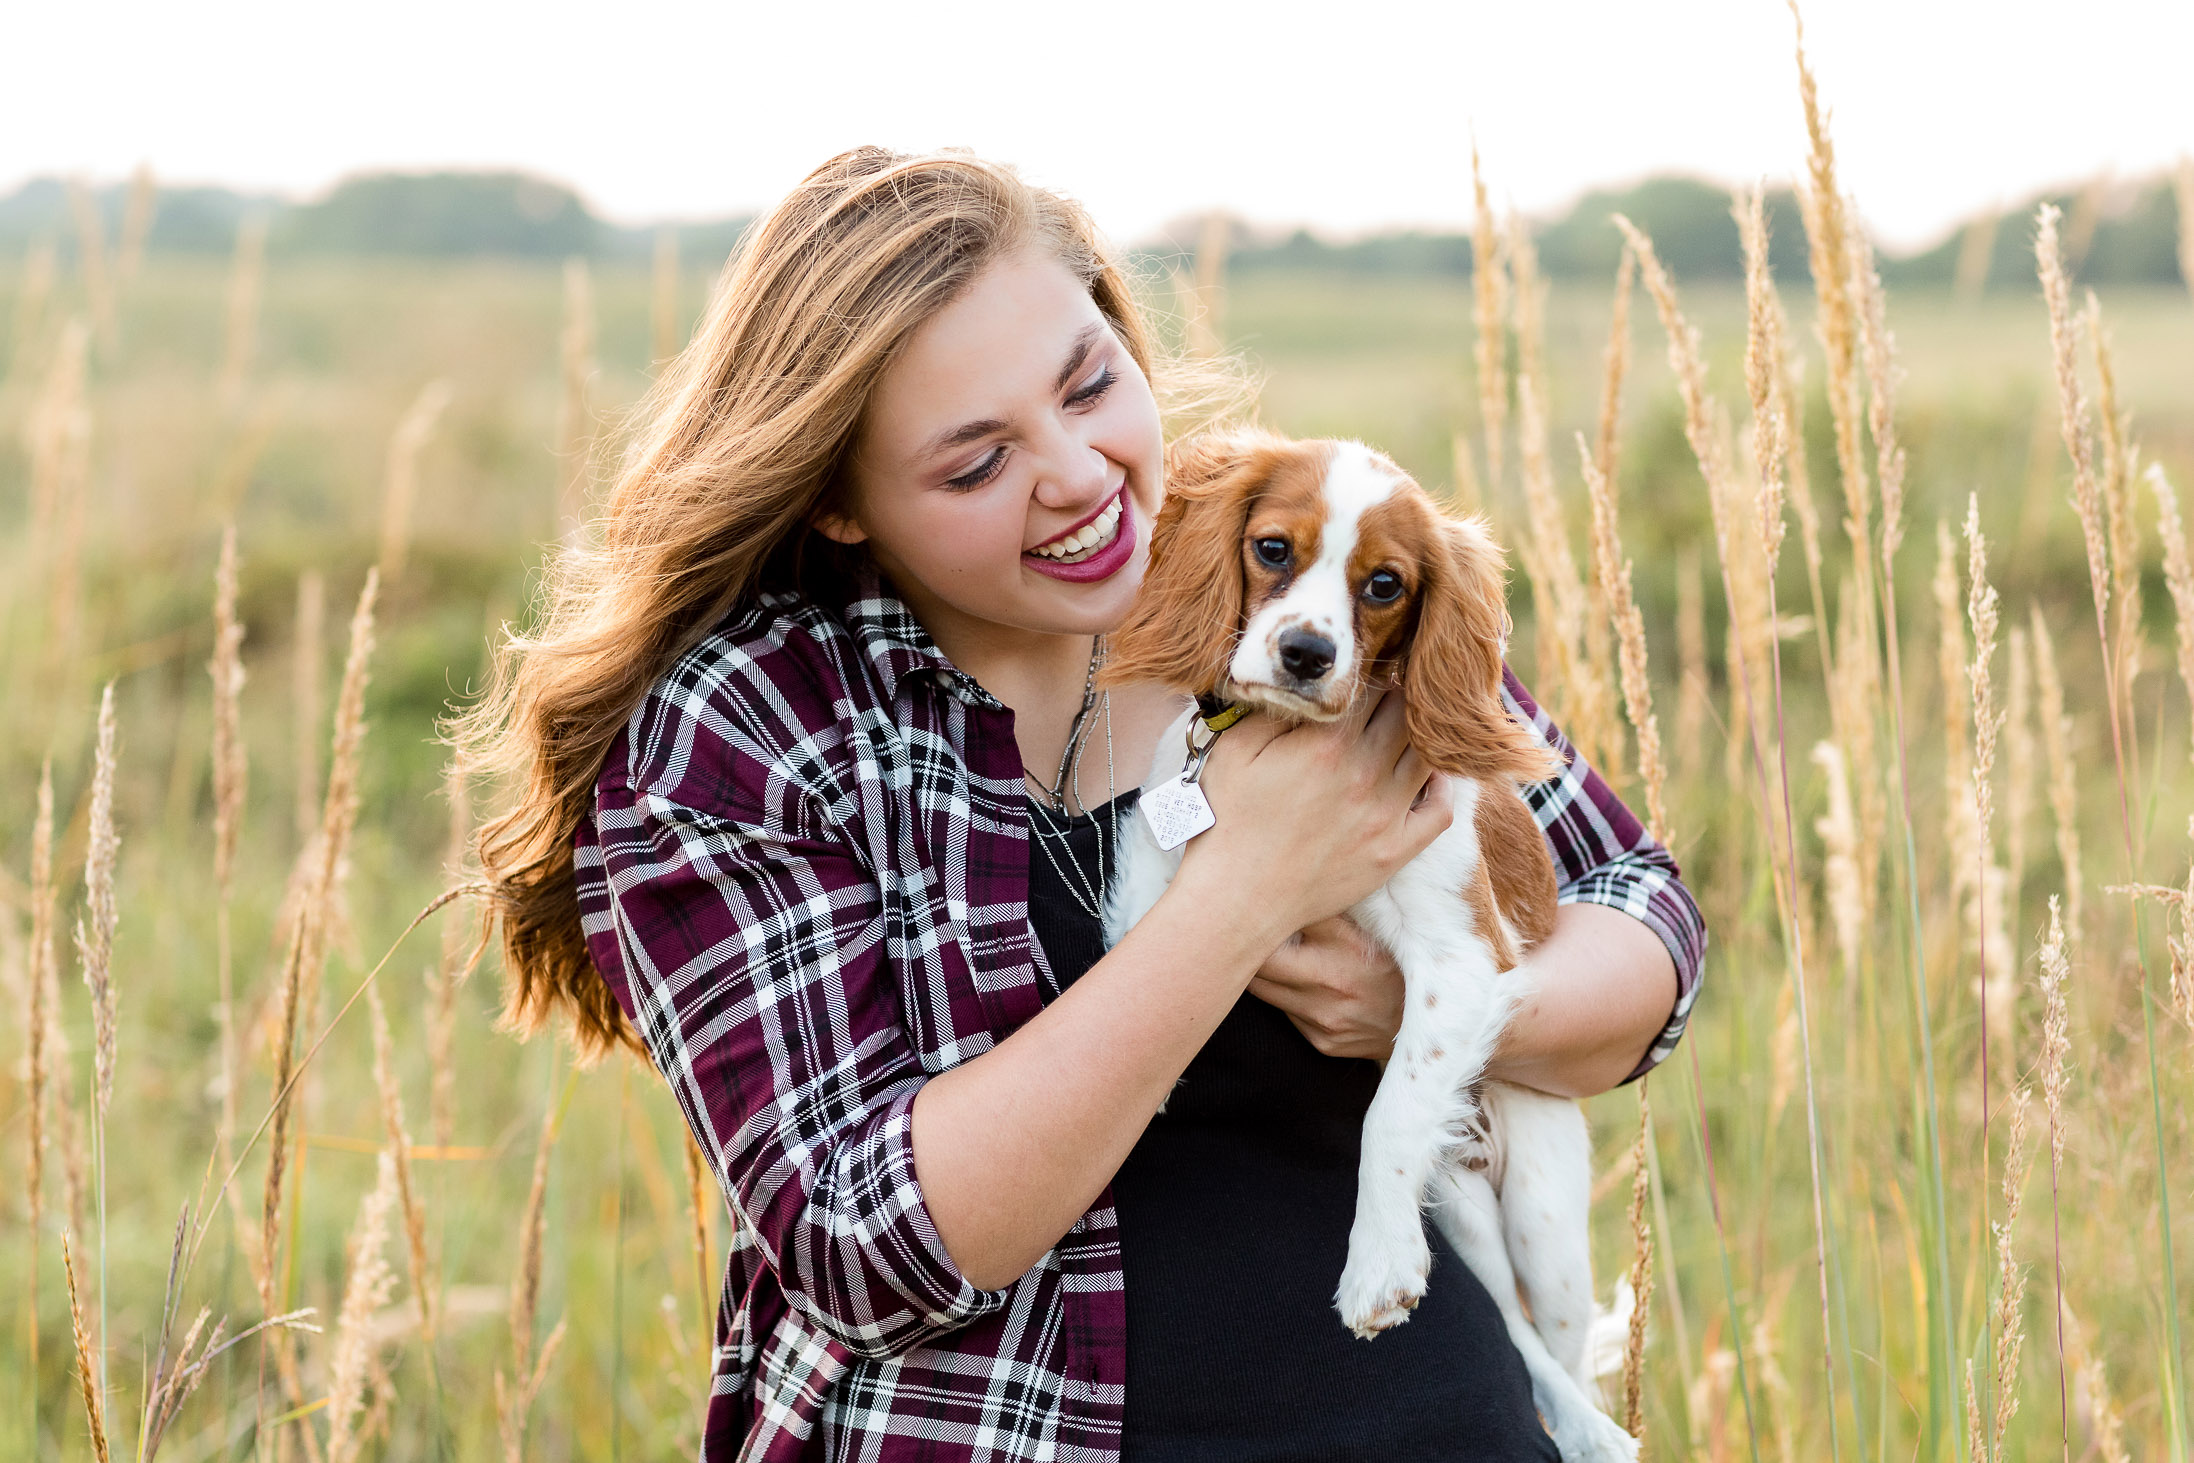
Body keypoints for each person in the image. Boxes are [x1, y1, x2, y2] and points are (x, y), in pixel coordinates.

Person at [457, 147, 1705, 1463]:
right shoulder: (748, 730)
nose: (1078, 475)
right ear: (835, 501)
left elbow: (1639, 922)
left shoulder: (1288, 570)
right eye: (974, 461)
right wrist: (1240, 895)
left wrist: (1430, 1014)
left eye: (1088, 384)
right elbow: (866, 1245)